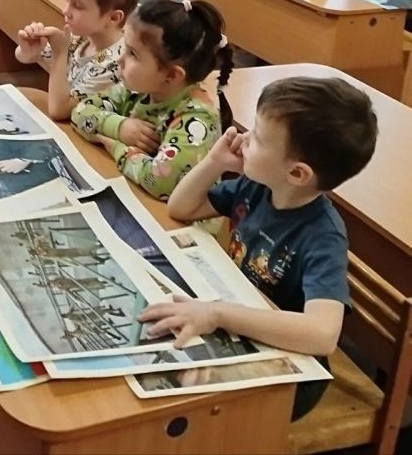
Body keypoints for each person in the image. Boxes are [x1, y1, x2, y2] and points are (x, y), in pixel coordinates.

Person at [138, 76, 378, 420]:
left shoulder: (324, 236)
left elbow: (323, 335)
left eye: (259, 138)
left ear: (297, 173)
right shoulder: (258, 187)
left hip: (292, 367)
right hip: (240, 318)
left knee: (184, 407)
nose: (244, 137)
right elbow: (181, 208)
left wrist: (218, 315)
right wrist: (215, 162)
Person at [71, 0, 233, 200]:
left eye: (133, 54)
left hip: (172, 216)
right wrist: (119, 127)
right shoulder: (138, 89)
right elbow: (80, 111)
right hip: (135, 195)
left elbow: (158, 181)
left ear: (172, 75)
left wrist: (116, 146)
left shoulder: (197, 118)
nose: (119, 60)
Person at [14, 0, 141, 120]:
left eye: (77, 5)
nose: (65, 11)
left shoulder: (115, 62)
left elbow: (59, 110)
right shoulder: (82, 38)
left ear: (113, 18)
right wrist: (29, 48)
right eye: (67, 0)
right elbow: (24, 56)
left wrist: (60, 53)